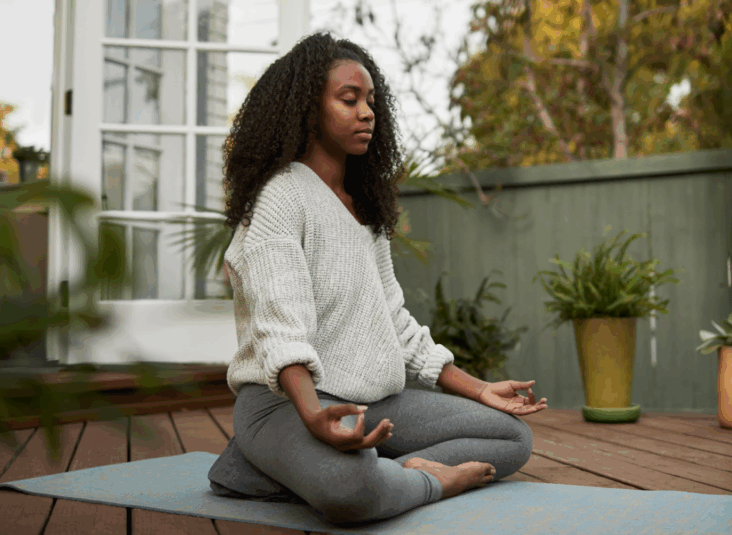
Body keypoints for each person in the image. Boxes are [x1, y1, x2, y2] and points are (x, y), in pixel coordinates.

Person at [207, 31, 548, 526]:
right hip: (285, 404)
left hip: (374, 401)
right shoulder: (280, 197)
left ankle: (354, 470)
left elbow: (395, 322)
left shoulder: (364, 208)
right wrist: (313, 417)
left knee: (511, 437)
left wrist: (479, 389)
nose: (367, 112)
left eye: (370, 101)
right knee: (351, 489)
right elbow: (280, 332)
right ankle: (424, 479)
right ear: (307, 110)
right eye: (349, 100)